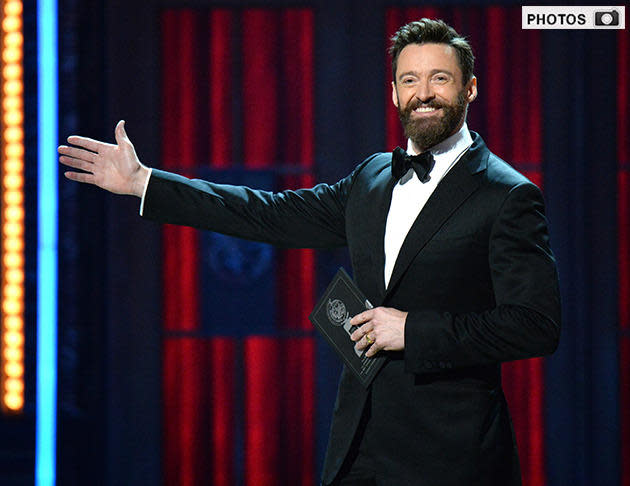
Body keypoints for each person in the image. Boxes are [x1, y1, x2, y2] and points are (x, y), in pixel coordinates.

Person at [59, 18, 560, 486]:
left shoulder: (507, 195)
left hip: (453, 456)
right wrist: (145, 182)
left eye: (439, 79)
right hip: (357, 447)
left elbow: (536, 324)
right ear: (393, 93)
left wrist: (412, 329)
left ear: (469, 88)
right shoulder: (372, 178)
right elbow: (268, 213)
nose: (423, 94)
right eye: (409, 80)